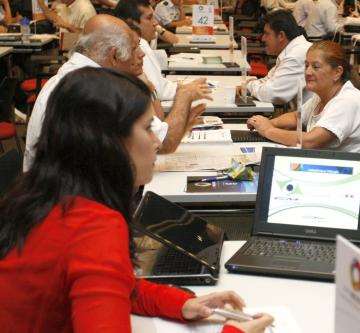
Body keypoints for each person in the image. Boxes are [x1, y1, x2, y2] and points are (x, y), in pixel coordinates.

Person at [0, 67, 273, 333]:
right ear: (111, 142)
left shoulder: (47, 196)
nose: (156, 141)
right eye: (147, 128)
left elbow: (115, 284)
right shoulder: (94, 227)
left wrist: (183, 303)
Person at [24, 14, 210, 170]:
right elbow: (162, 143)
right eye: (133, 48)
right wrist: (183, 96)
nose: (141, 54)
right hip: (70, 207)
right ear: (113, 56)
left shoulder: (70, 76)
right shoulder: (98, 89)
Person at [247, 41, 360, 198]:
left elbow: (310, 141)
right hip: (339, 167)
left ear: (337, 72)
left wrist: (268, 130)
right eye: (306, 65)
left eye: (315, 66)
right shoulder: (323, 93)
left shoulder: (347, 100)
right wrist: (270, 122)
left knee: (279, 183)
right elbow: (297, 116)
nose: (307, 72)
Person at [243, 10, 312, 104]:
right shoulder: (292, 50)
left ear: (281, 36)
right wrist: (253, 85)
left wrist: (249, 85)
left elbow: (271, 94)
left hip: (311, 118)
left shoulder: (296, 56)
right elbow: (268, 80)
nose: (263, 38)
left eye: (267, 34)